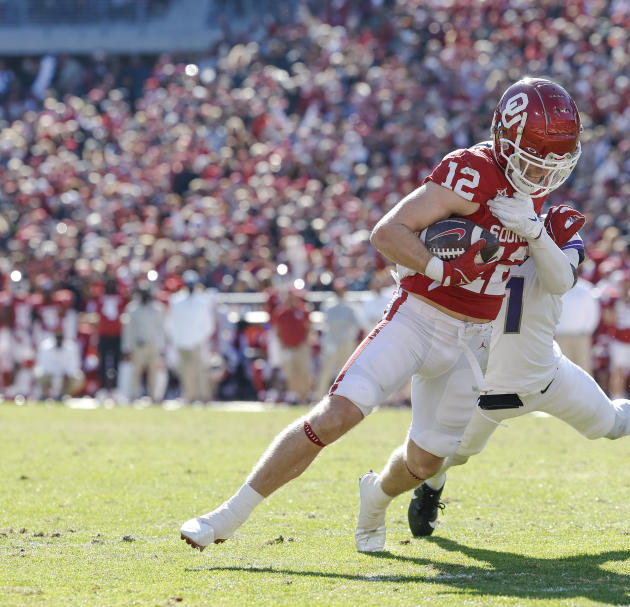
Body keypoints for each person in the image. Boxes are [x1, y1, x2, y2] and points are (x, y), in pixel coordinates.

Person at [180, 77, 584, 554]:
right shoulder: (471, 173)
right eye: (534, 161)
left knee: (426, 463)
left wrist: (535, 231)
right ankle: (226, 516)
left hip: (473, 344)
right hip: (418, 319)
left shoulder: (540, 200)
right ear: (504, 138)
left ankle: (374, 497)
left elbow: (561, 280)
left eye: (554, 164)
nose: (542, 177)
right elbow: (387, 232)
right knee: (336, 416)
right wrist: (442, 268)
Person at [407, 205, 630, 538]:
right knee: (445, 455)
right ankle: (430, 489)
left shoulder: (556, 227)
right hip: (483, 388)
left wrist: (536, 234)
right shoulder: (468, 230)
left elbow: (559, 282)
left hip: (547, 378)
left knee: (611, 425)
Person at [164, 270, 215, 403]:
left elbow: (208, 323)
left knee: (200, 370)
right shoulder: (176, 300)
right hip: (181, 341)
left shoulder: (203, 301)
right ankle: (189, 395)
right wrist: (175, 338)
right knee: (185, 371)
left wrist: (202, 338)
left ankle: (203, 396)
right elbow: (170, 322)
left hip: (197, 341)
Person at [268, 286, 315, 404]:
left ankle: (305, 395)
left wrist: (307, 343)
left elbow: (309, 327)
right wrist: (282, 345)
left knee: (304, 372)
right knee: (291, 373)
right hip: (288, 347)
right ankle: (295, 396)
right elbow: (278, 330)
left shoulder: (303, 311)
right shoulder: (281, 313)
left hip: (301, 347)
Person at [316, 279, 362, 395]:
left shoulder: (350, 306)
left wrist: (350, 339)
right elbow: (326, 324)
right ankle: (319, 396)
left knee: (346, 372)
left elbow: (356, 325)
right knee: (326, 371)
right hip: (332, 342)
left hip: (345, 342)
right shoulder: (329, 305)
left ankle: (347, 395)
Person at [121, 285, 167, 402]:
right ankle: (134, 395)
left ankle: (153, 396)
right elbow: (128, 329)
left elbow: (161, 329)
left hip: (153, 345)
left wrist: (161, 348)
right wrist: (126, 347)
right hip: (138, 345)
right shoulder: (132, 308)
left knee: (153, 372)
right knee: (136, 372)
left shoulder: (157, 309)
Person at [554, 278, 601, 376]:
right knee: (562, 371)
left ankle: (585, 392)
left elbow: (594, 312)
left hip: (581, 336)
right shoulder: (556, 287)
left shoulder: (586, 288)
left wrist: (587, 331)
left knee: (584, 370)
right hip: (561, 336)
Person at [34, 331, 84, 399]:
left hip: (66, 377)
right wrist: (55, 374)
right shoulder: (45, 346)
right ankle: (46, 394)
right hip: (49, 375)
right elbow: (42, 365)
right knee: (38, 373)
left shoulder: (71, 346)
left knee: (78, 377)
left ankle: (64, 395)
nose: (59, 340)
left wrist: (64, 374)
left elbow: (75, 365)